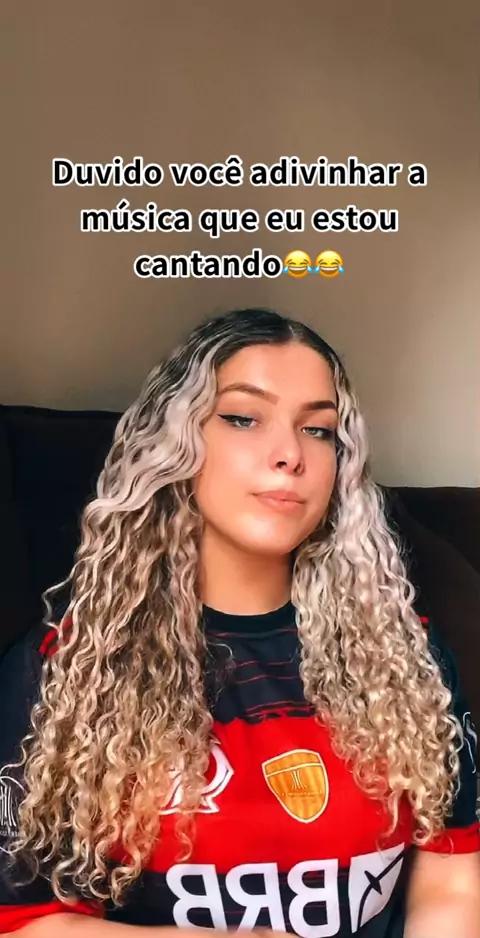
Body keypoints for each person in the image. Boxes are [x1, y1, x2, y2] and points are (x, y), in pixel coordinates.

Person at [0, 308, 478, 938]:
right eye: (243, 418)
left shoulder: (404, 653)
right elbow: (28, 921)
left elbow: (452, 878)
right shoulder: (69, 666)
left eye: (319, 430)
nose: (290, 455)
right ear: (174, 443)